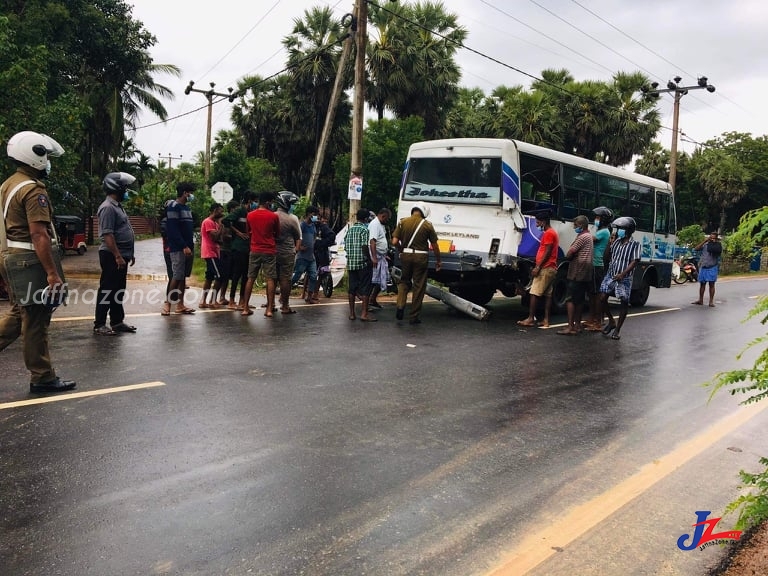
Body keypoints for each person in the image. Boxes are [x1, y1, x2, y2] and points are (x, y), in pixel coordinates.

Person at [0, 130, 76, 393]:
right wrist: (52, 274)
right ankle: (42, 377)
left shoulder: (9, 184)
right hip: (29, 261)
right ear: (35, 155)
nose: (48, 163)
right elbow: (38, 234)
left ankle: (42, 374)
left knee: (17, 314)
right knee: (35, 321)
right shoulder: (33, 190)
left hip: (12, 257)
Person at [93, 171, 138, 335]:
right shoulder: (107, 208)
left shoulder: (117, 206)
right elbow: (108, 234)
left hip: (122, 255)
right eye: (124, 187)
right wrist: (117, 255)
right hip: (111, 255)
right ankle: (99, 323)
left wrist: (128, 253)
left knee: (118, 289)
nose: (126, 190)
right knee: (107, 289)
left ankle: (117, 321)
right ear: (116, 188)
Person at [391, 203, 441, 325]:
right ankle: (413, 316)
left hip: (406, 256)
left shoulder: (403, 222)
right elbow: (434, 245)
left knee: (404, 282)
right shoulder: (427, 225)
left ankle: (400, 306)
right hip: (421, 257)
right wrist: (439, 260)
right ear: (424, 212)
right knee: (418, 286)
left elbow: (394, 241)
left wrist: (401, 249)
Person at [599, 216, 641, 341]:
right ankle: (611, 321)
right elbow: (606, 257)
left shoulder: (635, 245)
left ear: (628, 230)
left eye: (621, 229)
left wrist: (623, 274)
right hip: (611, 275)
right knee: (602, 298)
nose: (618, 231)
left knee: (623, 302)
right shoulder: (616, 242)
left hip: (624, 278)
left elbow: (635, 261)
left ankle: (617, 329)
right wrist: (609, 242)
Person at [517, 210, 559, 328]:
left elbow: (547, 251)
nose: (536, 225)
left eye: (538, 222)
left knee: (534, 293)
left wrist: (538, 267)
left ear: (544, 222)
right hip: (550, 267)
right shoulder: (550, 232)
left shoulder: (549, 233)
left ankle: (531, 318)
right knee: (547, 295)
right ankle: (546, 320)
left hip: (545, 268)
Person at [240, 191, 280, 317]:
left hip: (255, 249)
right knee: (270, 278)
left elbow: (248, 231)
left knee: (250, 278)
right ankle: (269, 309)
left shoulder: (250, 215)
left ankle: (245, 307)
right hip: (269, 250)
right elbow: (277, 234)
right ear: (268, 202)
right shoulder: (273, 216)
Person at [162, 182, 196, 315]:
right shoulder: (173, 207)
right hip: (178, 248)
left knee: (182, 277)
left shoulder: (186, 208)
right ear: (184, 193)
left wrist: (190, 247)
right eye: (190, 193)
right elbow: (173, 230)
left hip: (188, 248)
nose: (191, 195)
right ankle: (168, 304)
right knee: (176, 276)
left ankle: (180, 305)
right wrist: (183, 246)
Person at [557, 215, 593, 335]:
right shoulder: (589, 236)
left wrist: (567, 256)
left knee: (570, 299)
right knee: (580, 300)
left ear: (581, 226)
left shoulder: (582, 237)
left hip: (578, 271)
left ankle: (570, 327)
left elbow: (570, 253)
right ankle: (577, 325)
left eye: (576, 225)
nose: (574, 227)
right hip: (585, 271)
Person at [224, 191, 254, 310]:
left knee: (246, 275)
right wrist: (237, 232)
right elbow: (225, 220)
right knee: (237, 274)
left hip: (248, 247)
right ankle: (232, 300)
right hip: (238, 247)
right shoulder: (239, 211)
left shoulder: (251, 213)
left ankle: (243, 300)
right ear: (250, 201)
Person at [345, 208, 377, 322]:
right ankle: (364, 314)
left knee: (352, 289)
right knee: (365, 289)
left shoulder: (350, 230)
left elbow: (345, 246)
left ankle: (352, 314)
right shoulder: (365, 230)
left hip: (351, 262)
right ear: (366, 218)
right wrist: (370, 259)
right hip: (362, 263)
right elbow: (364, 246)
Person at [274, 191, 301, 314]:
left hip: (272, 252)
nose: (293, 206)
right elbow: (297, 236)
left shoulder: (271, 216)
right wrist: (295, 251)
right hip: (287, 253)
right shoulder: (291, 219)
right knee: (286, 279)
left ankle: (270, 305)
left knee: (272, 278)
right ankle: (285, 306)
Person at [585, 206, 613, 331]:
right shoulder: (600, 230)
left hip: (597, 265)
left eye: (598, 217)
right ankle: (592, 318)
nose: (595, 220)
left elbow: (589, 239)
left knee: (596, 295)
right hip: (593, 264)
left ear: (603, 219)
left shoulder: (604, 232)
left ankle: (597, 322)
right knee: (591, 293)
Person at [291, 205, 320, 304]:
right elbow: (296, 237)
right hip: (302, 256)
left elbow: (315, 236)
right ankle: (284, 293)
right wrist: (299, 247)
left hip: (311, 256)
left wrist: (312, 243)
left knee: (313, 276)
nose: (316, 216)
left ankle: (309, 296)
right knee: (297, 276)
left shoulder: (313, 226)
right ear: (309, 214)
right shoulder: (302, 225)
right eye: (314, 214)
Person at [199, 202, 224, 309]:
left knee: (209, 277)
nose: (222, 213)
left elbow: (220, 239)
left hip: (215, 251)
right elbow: (214, 237)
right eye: (220, 211)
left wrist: (219, 228)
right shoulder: (208, 222)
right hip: (210, 252)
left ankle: (203, 301)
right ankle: (212, 300)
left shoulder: (216, 224)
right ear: (215, 210)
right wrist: (221, 226)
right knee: (220, 276)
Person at [216, 199, 238, 305]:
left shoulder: (235, 220)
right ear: (231, 209)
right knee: (223, 276)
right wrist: (236, 236)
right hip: (225, 250)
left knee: (229, 276)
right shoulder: (226, 220)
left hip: (232, 250)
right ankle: (217, 297)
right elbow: (224, 235)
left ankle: (222, 296)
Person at [368, 207, 391, 309]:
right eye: (387, 218)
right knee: (372, 281)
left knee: (380, 279)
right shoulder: (375, 224)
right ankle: (367, 301)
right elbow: (372, 241)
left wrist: (384, 254)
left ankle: (373, 299)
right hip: (375, 256)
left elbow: (381, 240)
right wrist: (374, 258)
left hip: (381, 256)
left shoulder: (381, 225)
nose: (387, 220)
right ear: (383, 216)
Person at [310, 210, 336, 302]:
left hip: (321, 254)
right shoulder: (308, 226)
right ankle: (308, 293)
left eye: (317, 216)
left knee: (320, 274)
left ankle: (315, 293)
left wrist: (322, 243)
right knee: (309, 274)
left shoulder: (323, 227)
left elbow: (332, 236)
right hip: (310, 253)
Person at [692, 230, 722, 307]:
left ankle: (711, 301)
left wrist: (714, 243)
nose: (711, 238)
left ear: (716, 238)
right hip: (704, 266)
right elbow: (696, 248)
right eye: (710, 237)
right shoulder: (705, 245)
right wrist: (705, 241)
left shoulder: (717, 245)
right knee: (702, 284)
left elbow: (718, 252)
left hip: (712, 266)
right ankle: (700, 300)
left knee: (711, 284)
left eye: (713, 237)